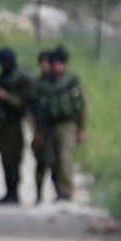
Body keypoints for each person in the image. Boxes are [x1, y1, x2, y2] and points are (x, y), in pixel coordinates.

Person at [0, 47, 33, 205]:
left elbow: (24, 103)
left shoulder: (20, 78)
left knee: (14, 157)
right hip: (2, 123)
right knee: (5, 157)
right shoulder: (3, 77)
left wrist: (7, 98)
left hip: (14, 123)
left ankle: (14, 192)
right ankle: (9, 191)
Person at [41, 46, 87, 202]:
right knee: (52, 160)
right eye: (54, 63)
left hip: (67, 125)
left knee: (65, 158)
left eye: (59, 63)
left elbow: (82, 107)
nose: (56, 67)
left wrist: (81, 129)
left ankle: (66, 192)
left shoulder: (71, 82)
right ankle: (59, 191)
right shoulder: (45, 83)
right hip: (49, 125)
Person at [29, 49, 55, 205]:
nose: (44, 66)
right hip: (41, 128)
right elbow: (31, 105)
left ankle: (61, 192)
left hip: (55, 128)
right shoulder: (38, 84)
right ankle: (39, 194)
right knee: (40, 161)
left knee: (56, 162)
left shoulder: (57, 83)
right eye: (42, 63)